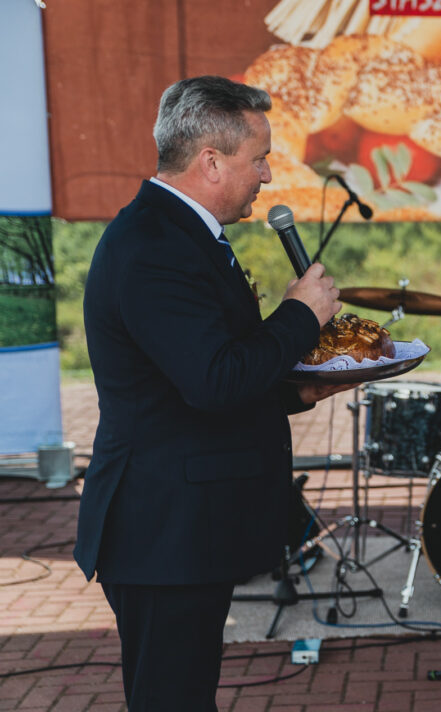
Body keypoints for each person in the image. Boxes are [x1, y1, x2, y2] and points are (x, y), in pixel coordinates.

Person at [73, 76, 344, 711]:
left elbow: (200, 371)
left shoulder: (181, 235)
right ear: (212, 161)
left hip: (184, 528)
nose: (269, 176)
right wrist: (300, 315)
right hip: (162, 530)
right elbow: (213, 380)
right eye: (260, 158)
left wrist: (293, 391)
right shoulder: (154, 246)